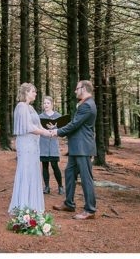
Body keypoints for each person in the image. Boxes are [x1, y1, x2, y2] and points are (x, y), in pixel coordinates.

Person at [50, 80, 97, 220]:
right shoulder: (85, 104)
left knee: (86, 179)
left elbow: (75, 124)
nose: (75, 91)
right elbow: (75, 124)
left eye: (77, 88)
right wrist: (58, 129)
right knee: (69, 173)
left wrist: (57, 132)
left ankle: (90, 210)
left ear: (84, 88)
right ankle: (69, 203)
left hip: (83, 148)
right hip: (77, 148)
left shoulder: (87, 106)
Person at [8, 83, 54, 214]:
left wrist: (52, 132)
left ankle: (32, 204)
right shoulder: (21, 106)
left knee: (33, 170)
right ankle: (22, 205)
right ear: (26, 92)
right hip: (25, 143)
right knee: (25, 170)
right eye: (33, 91)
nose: (35, 94)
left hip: (34, 144)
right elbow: (29, 128)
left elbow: (38, 125)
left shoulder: (31, 108)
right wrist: (45, 133)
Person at [38, 96, 63, 195]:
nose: (46, 105)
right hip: (43, 143)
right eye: (44, 103)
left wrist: (55, 129)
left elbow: (62, 129)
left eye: (48, 103)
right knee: (44, 166)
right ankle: (47, 187)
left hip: (53, 144)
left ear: (52, 104)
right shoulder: (40, 116)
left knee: (54, 165)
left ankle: (60, 186)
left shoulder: (58, 116)